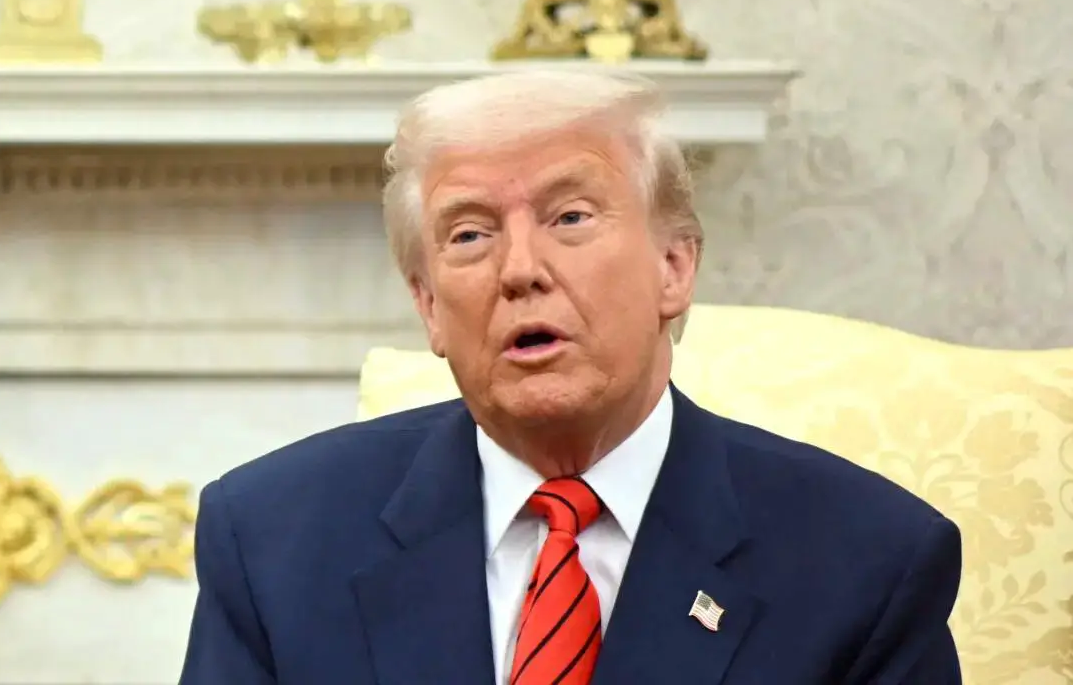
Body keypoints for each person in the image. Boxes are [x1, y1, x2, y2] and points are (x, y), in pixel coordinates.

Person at [179, 70, 962, 684]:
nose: (520, 271)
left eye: (570, 218)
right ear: (428, 307)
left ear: (673, 267)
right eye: (470, 233)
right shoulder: (271, 541)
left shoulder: (867, 563)